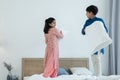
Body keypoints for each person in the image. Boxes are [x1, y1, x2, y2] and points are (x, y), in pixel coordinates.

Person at [81, 5, 108, 76]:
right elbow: (83, 32)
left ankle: (98, 77)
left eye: (87, 12)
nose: (86, 14)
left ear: (91, 13)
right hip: (92, 43)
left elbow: (106, 31)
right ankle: (97, 76)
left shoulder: (99, 21)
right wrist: (85, 30)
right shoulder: (87, 22)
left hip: (98, 43)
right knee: (94, 60)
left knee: (97, 60)